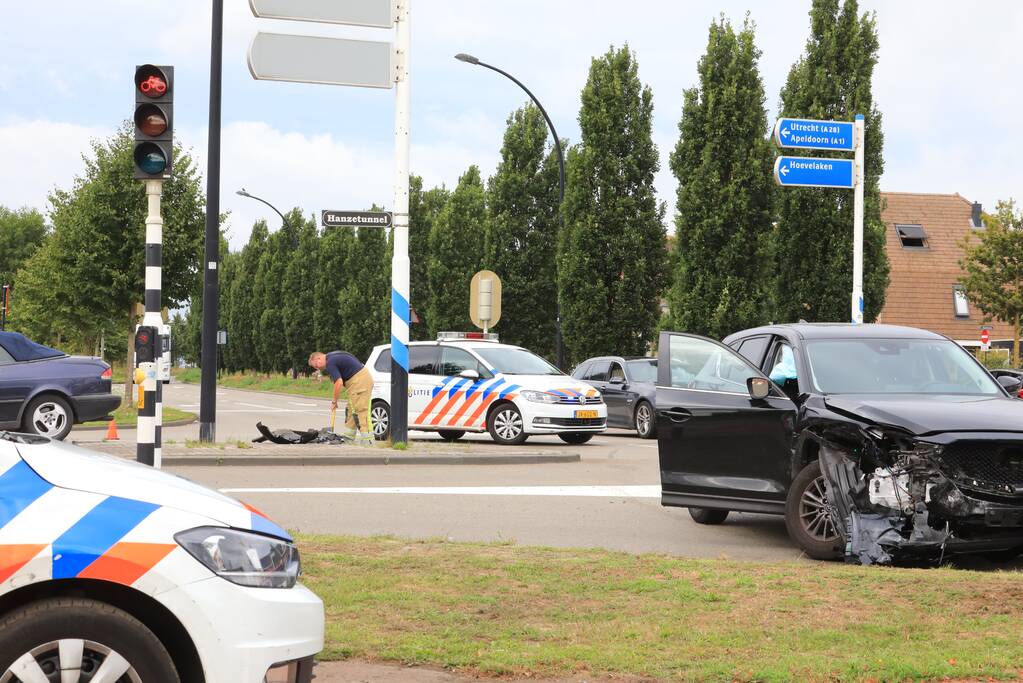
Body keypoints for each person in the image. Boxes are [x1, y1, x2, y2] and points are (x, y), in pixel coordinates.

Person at [308, 350, 374, 446]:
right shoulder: (332, 357)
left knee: (361, 411)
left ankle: (369, 443)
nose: (318, 368)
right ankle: (348, 440)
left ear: (319, 358)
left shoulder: (330, 362)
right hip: (356, 381)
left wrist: (334, 401)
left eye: (316, 365)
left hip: (360, 381)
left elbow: (338, 382)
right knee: (351, 411)